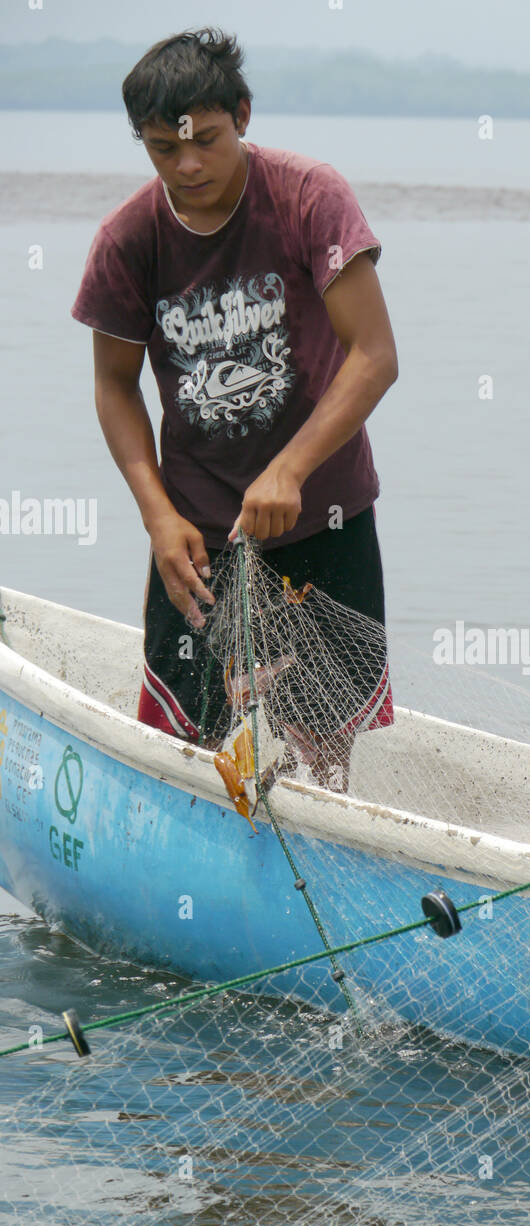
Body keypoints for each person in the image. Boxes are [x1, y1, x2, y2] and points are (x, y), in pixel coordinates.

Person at [71, 28, 398, 787]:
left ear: (242, 116)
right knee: (185, 747)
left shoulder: (308, 198)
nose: (186, 166)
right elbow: (115, 384)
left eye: (206, 142)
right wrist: (158, 517)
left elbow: (374, 356)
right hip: (198, 534)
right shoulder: (128, 240)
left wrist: (288, 470)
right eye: (162, 149)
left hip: (326, 516)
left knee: (322, 754)